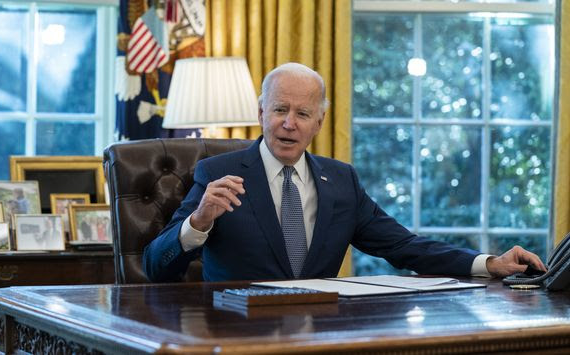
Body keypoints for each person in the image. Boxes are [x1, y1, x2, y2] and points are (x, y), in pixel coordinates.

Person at [143, 62, 547, 282]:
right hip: (235, 335)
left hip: (323, 333)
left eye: (303, 114)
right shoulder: (217, 173)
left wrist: (489, 262)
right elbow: (156, 268)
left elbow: (405, 247)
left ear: (319, 123)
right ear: (261, 112)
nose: (290, 124)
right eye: (280, 110)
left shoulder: (341, 180)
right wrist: (199, 222)